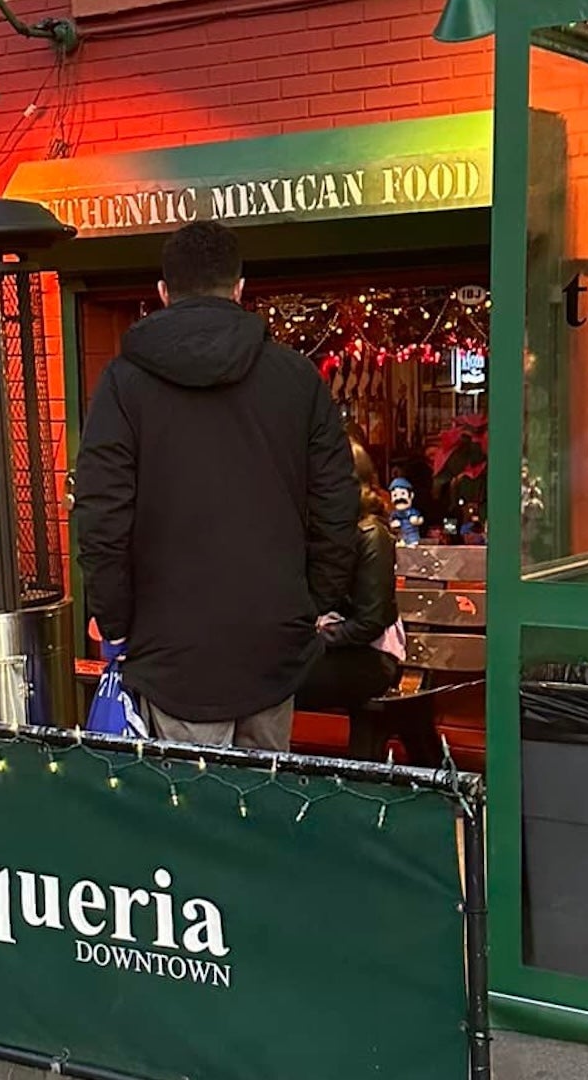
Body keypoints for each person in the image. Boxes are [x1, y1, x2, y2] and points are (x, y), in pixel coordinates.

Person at [74, 221, 357, 750]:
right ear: (239, 287)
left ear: (163, 292)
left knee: (194, 820)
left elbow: (101, 514)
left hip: (170, 645)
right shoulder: (296, 379)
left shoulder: (123, 382)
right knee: (266, 806)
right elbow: (337, 506)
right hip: (272, 639)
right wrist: (312, 601)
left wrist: (116, 621)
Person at [298, 440, 404, 721]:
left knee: (281, 678)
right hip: (325, 646)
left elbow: (370, 622)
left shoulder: (372, 536)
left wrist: (316, 638)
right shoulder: (320, 530)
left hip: (370, 657)